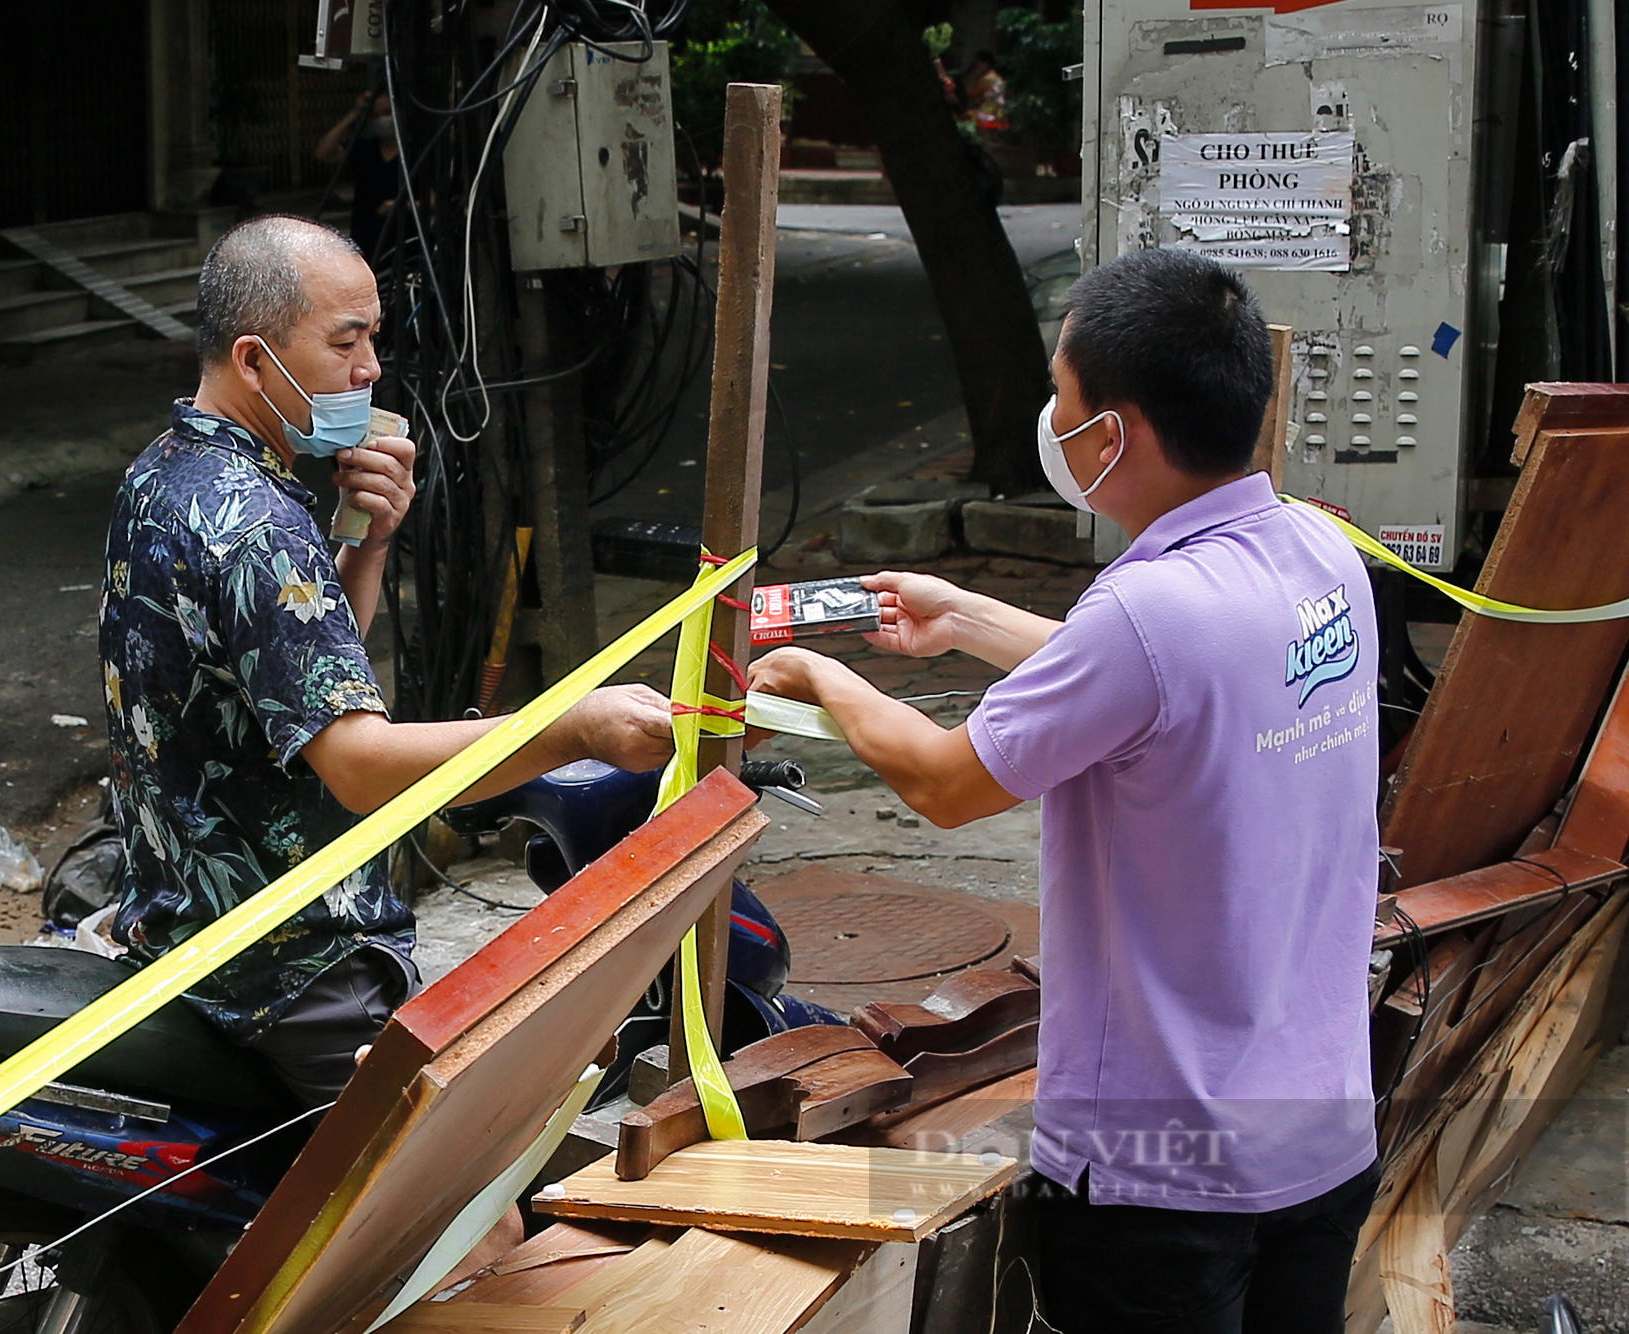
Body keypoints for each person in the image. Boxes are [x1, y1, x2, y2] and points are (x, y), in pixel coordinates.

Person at [748, 248, 1381, 1333]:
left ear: (1113, 433)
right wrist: (966, 617)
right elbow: (1171, 691)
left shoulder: (1143, 612)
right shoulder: (1319, 555)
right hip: (1317, 1131)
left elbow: (947, 783)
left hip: (1162, 1169)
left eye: (1062, 392)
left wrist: (823, 674)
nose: (1053, 414)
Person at [99, 215, 673, 1111]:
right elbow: (360, 767)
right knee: (466, 1216)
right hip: (293, 962)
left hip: (184, 924)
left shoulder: (169, 472)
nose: (370, 368)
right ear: (254, 360)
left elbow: (290, 679)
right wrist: (572, 726)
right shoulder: (256, 524)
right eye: (345, 341)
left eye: (373, 336)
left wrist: (364, 545)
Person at [314, 90, 401, 259]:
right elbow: (323, 153)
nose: (382, 120)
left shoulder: (415, 152)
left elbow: (435, 200)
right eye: (376, 115)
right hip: (366, 237)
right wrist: (355, 112)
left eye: (387, 113)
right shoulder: (364, 148)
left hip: (405, 239)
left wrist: (400, 205)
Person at [962, 51, 1009, 132]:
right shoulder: (997, 77)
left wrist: (973, 78)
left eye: (978, 63)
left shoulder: (986, 80)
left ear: (986, 63)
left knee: (959, 117)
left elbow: (969, 94)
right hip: (999, 114)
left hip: (989, 114)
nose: (976, 66)